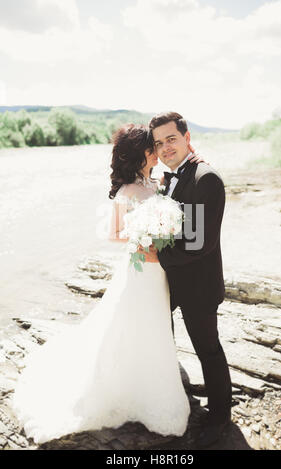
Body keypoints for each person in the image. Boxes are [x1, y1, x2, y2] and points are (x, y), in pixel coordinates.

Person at [10, 124, 203, 445]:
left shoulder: (158, 183)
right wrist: (144, 236)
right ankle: (132, 388)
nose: (159, 150)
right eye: (154, 146)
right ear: (145, 153)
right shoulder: (128, 191)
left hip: (160, 273)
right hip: (140, 272)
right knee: (133, 325)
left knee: (155, 325)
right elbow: (114, 234)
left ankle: (153, 378)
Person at [147, 112, 233, 448]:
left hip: (198, 285)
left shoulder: (204, 178)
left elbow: (199, 244)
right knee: (158, 334)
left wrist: (157, 254)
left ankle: (220, 415)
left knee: (207, 349)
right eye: (158, 143)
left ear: (186, 136)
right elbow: (180, 230)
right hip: (173, 281)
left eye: (171, 139)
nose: (165, 147)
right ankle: (172, 395)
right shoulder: (171, 178)